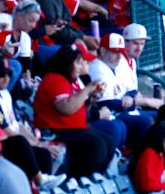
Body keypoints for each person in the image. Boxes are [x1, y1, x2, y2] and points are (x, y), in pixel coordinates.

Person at [32, 44, 120, 178]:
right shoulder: (55, 79)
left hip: (71, 127)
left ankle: (95, 182)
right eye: (78, 63)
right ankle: (80, 181)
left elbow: (80, 109)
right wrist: (87, 89)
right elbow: (66, 108)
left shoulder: (70, 80)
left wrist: (90, 100)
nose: (81, 67)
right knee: (96, 145)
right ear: (68, 63)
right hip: (54, 130)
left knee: (109, 142)